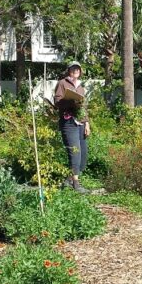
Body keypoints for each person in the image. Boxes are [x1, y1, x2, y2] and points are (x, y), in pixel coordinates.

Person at [53, 61, 90, 193]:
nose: (75, 71)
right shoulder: (63, 83)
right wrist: (70, 100)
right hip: (68, 122)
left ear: (80, 71)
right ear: (69, 70)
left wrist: (87, 123)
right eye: (73, 69)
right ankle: (76, 183)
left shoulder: (81, 86)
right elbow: (57, 101)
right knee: (75, 152)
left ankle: (68, 179)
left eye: (78, 69)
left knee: (83, 153)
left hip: (80, 122)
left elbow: (84, 107)